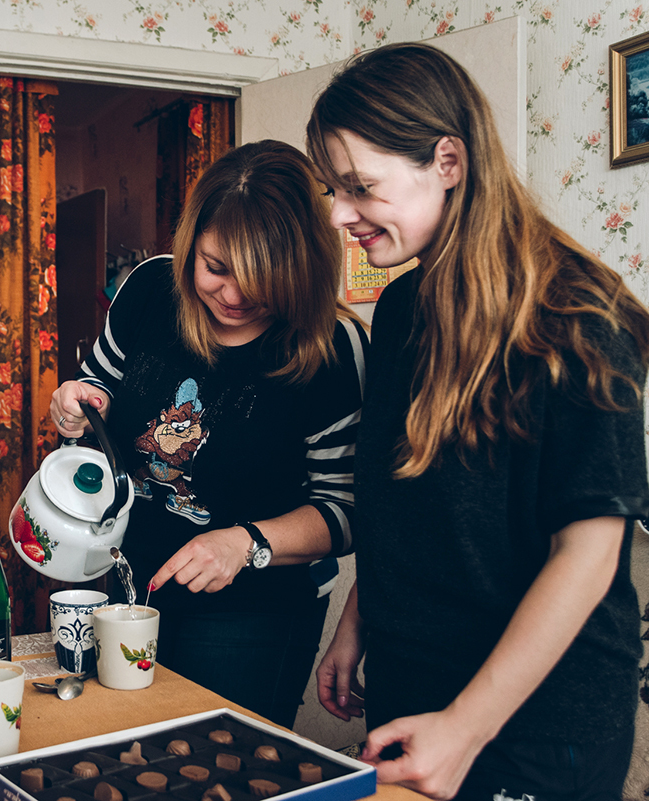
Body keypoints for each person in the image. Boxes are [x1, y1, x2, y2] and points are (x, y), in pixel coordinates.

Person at [307, 43, 649, 801]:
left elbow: (591, 552)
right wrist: (357, 620)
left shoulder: (577, 315)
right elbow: (407, 494)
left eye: (359, 186)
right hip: (411, 683)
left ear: (448, 161)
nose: (338, 214)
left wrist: (467, 723)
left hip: (538, 722)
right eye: (334, 189)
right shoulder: (400, 308)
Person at [49, 140, 368, 729]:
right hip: (128, 576)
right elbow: (95, 390)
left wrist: (242, 543)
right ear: (191, 243)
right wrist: (72, 406)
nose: (234, 295)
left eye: (262, 277)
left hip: (253, 613)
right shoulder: (149, 291)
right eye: (216, 268)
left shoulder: (331, 348)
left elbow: (348, 511)